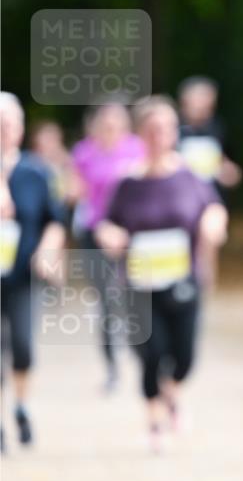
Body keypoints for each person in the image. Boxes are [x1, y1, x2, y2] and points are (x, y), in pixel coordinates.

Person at [96, 96, 227, 452]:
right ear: (140, 133)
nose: (159, 135)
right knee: (151, 353)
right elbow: (105, 223)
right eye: (152, 129)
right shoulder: (127, 182)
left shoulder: (189, 176)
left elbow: (213, 207)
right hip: (139, 283)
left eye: (166, 128)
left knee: (183, 358)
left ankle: (173, 392)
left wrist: (213, 223)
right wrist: (110, 235)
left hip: (183, 280)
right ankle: (154, 422)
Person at [0, 92, 66, 449]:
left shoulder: (36, 172)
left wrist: (46, 249)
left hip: (22, 274)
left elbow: (54, 220)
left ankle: (22, 407)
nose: (5, 131)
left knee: (23, 347)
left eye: (11, 124)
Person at [71, 102, 146, 390]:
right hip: (95, 230)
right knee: (105, 300)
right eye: (107, 122)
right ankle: (112, 367)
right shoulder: (84, 152)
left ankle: (141, 355)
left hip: (131, 232)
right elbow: (76, 192)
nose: (111, 127)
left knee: (132, 295)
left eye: (117, 122)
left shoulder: (136, 148)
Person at [177, 75, 243, 194]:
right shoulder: (171, 127)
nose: (205, 109)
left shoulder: (217, 126)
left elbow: (223, 160)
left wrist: (230, 172)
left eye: (210, 105)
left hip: (211, 197)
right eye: (201, 102)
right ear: (184, 101)